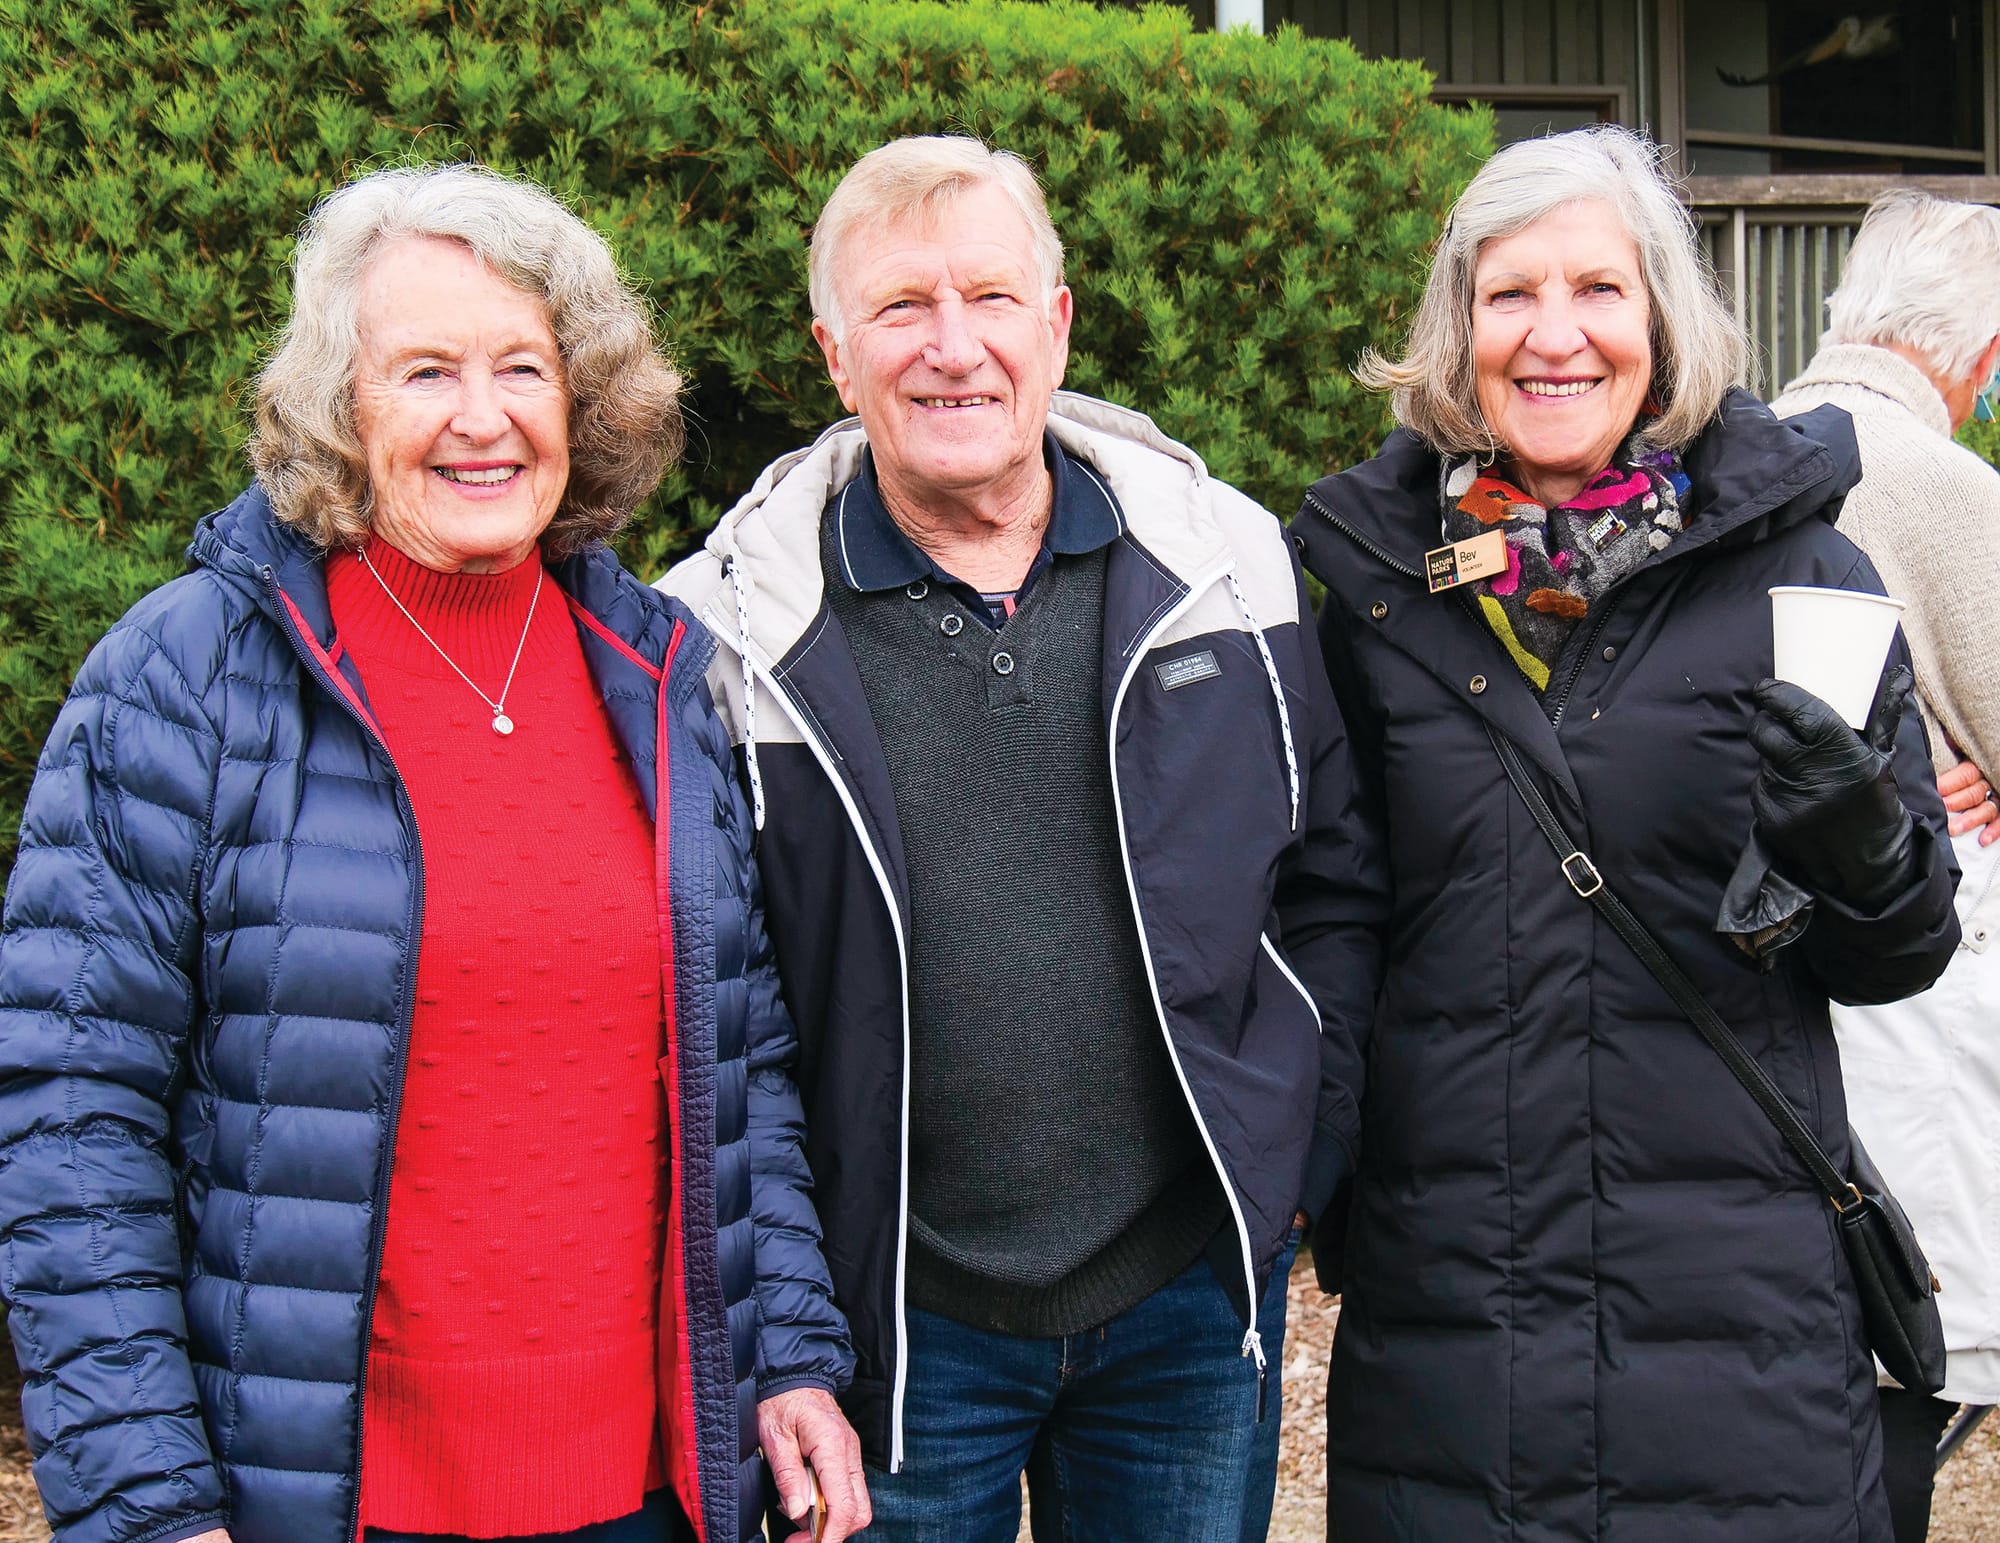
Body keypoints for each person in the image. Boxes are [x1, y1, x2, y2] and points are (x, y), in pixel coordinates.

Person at [0, 164, 867, 1543]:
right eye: (423, 372)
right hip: (328, 1506)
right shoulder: (185, 677)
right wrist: (146, 1504)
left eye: (523, 367)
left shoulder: (655, 674)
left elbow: (742, 1072)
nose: (482, 417)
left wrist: (796, 1359)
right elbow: (71, 1117)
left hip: (648, 1496)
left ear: (582, 402)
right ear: (338, 407)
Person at [659, 134, 1388, 1542]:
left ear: (1054, 327)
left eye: (990, 298)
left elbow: (1332, 882)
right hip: (896, 1326)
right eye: (901, 308)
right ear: (835, 357)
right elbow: (718, 1012)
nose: (954, 348)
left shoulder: (1223, 561)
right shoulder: (727, 634)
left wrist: (1299, 1151)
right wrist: (786, 1312)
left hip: (1186, 1301)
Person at [1292, 125, 1961, 1542]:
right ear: (1459, 329)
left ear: (1662, 322)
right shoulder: (1377, 594)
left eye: (1598, 289)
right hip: (1452, 1300)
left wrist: (1855, 835)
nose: (1555, 336)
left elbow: (1898, 951)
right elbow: (1336, 915)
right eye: (1511, 294)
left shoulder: (1805, 573)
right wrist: (1310, 1167)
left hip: (1735, 1309)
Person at [1770, 187, 2000, 1543]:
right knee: (1909, 1343)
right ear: (1980, 356)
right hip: (1917, 964)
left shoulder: (1737, 450)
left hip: (1753, 973)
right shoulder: (1953, 490)